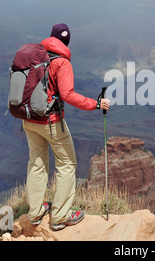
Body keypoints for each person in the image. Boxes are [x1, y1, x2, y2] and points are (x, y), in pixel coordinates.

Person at [22, 23, 110, 231]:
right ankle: (60, 216)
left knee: (36, 163)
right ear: (67, 42)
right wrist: (96, 104)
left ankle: (34, 214)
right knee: (67, 164)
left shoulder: (34, 57)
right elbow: (68, 94)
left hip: (28, 119)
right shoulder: (62, 62)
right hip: (51, 123)